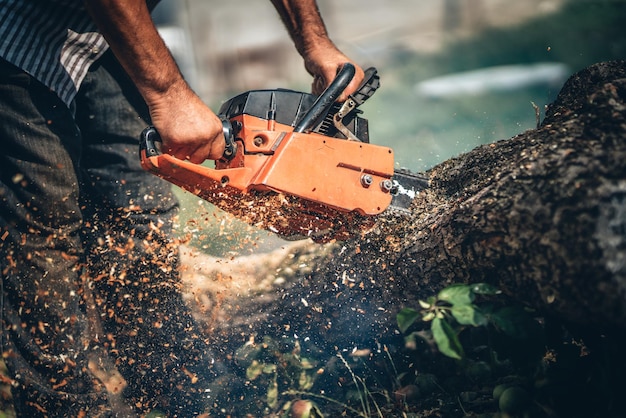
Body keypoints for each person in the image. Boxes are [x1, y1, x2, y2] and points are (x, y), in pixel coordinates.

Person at [0, 0, 364, 416]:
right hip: (17, 34)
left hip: (102, 39)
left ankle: (177, 390)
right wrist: (168, 93)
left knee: (137, 211)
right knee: (44, 228)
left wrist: (313, 40)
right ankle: (64, 407)